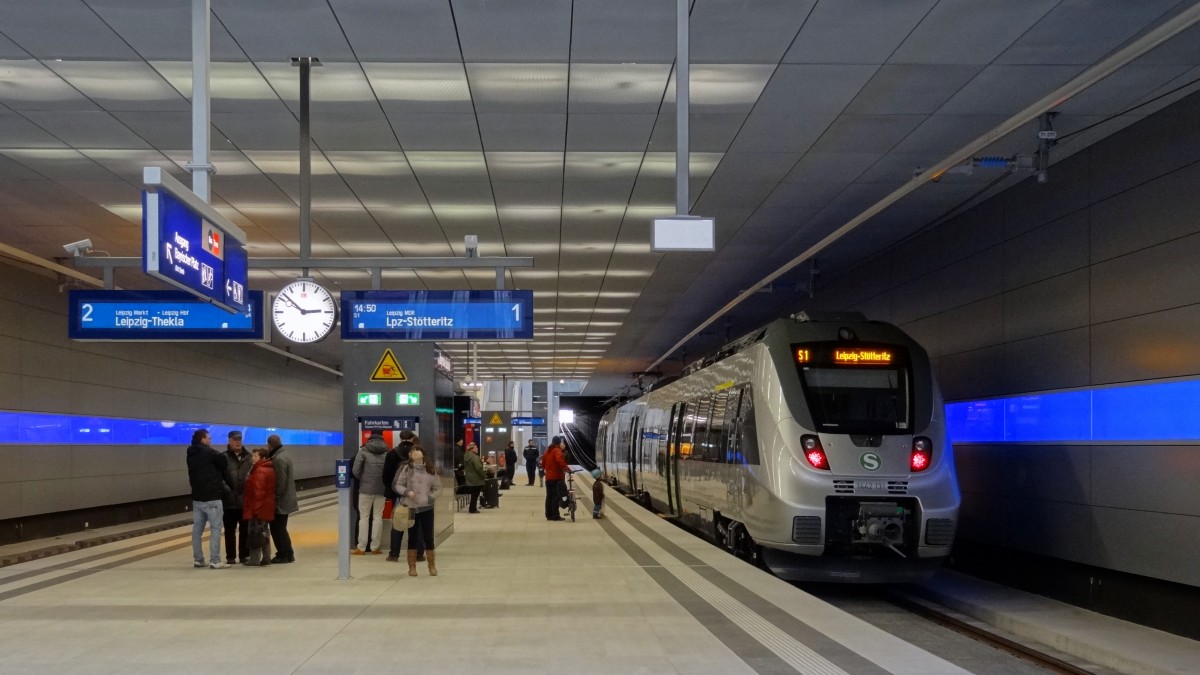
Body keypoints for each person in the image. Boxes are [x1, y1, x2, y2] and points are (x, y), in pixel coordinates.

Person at [186, 428, 233, 569]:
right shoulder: (208, 452)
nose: (210, 441)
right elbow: (223, 460)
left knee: (197, 530)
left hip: (197, 498)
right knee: (215, 529)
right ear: (202, 439)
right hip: (212, 497)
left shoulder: (190, 453)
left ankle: (198, 559)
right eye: (209, 438)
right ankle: (215, 560)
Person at [392, 445, 441, 576]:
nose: (414, 452)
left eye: (417, 450)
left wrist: (431, 497)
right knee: (412, 537)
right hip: (411, 507)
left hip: (427, 507)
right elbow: (397, 484)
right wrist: (407, 492)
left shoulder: (430, 469)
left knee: (428, 537)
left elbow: (438, 487)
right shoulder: (407, 468)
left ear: (423, 453)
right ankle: (412, 567)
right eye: (412, 451)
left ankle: (432, 565)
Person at [383, 429, 419, 562]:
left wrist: (393, 490)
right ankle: (418, 554)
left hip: (399, 494)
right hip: (416, 495)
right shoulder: (418, 453)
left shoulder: (391, 453)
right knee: (415, 524)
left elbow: (386, 475)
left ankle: (394, 554)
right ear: (412, 438)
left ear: (400, 438)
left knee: (398, 523)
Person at [352, 430, 389, 555]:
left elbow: (355, 470)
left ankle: (361, 547)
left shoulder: (363, 451)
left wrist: (364, 479)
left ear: (370, 437)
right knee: (378, 517)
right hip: (381, 489)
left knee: (364, 517)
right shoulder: (386, 451)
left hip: (365, 489)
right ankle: (375, 547)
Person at [222, 430, 252, 565]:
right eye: (235, 439)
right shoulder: (223, 458)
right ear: (229, 441)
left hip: (245, 500)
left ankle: (244, 555)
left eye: (239, 439)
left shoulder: (249, 457)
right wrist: (227, 490)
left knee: (245, 529)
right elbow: (219, 477)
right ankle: (230, 556)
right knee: (229, 530)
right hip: (229, 501)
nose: (238, 442)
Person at [242, 447, 276, 566]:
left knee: (255, 532)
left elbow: (258, 492)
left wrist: (255, 510)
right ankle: (266, 557)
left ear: (262, 458)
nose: (252, 458)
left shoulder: (259, 470)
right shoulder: (267, 468)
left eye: (255, 456)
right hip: (266, 505)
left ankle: (254, 559)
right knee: (263, 532)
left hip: (257, 507)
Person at [267, 434, 298, 564]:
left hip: (281, 500)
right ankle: (287, 553)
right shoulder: (285, 455)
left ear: (269, 445)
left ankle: (284, 553)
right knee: (281, 528)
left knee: (277, 528)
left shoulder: (278, 459)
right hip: (287, 498)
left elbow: (280, 481)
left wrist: (275, 497)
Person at [541, 436, 569, 521]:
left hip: (548, 478)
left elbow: (543, 464)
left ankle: (548, 515)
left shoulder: (547, 451)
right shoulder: (557, 451)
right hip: (556, 477)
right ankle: (555, 516)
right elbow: (560, 461)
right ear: (558, 443)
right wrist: (567, 469)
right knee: (556, 496)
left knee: (549, 496)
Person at [461, 441, 485, 513]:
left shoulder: (466, 456)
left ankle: (472, 508)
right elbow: (479, 468)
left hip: (469, 478)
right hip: (476, 479)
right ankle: (472, 508)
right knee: (475, 495)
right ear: (472, 449)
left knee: (473, 495)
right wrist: (484, 475)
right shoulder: (475, 458)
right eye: (476, 447)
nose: (477, 448)